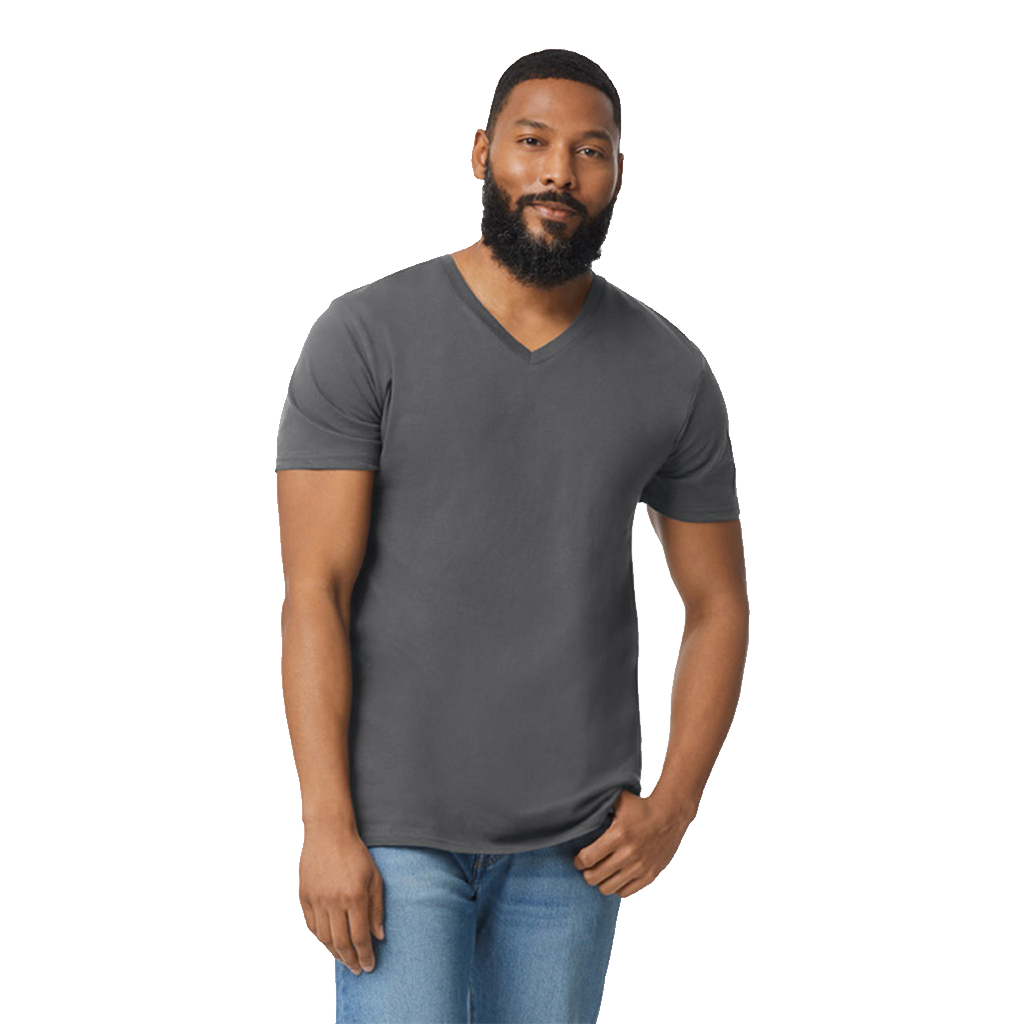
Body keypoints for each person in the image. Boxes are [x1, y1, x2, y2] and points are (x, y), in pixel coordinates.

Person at [274, 47, 749, 1024]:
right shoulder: (365, 336)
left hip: (576, 846)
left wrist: (674, 805)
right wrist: (325, 823)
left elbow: (718, 604)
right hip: (394, 833)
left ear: (618, 174)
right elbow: (314, 592)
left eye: (589, 151)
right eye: (532, 142)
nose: (558, 172)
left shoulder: (670, 372)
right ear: (483, 152)